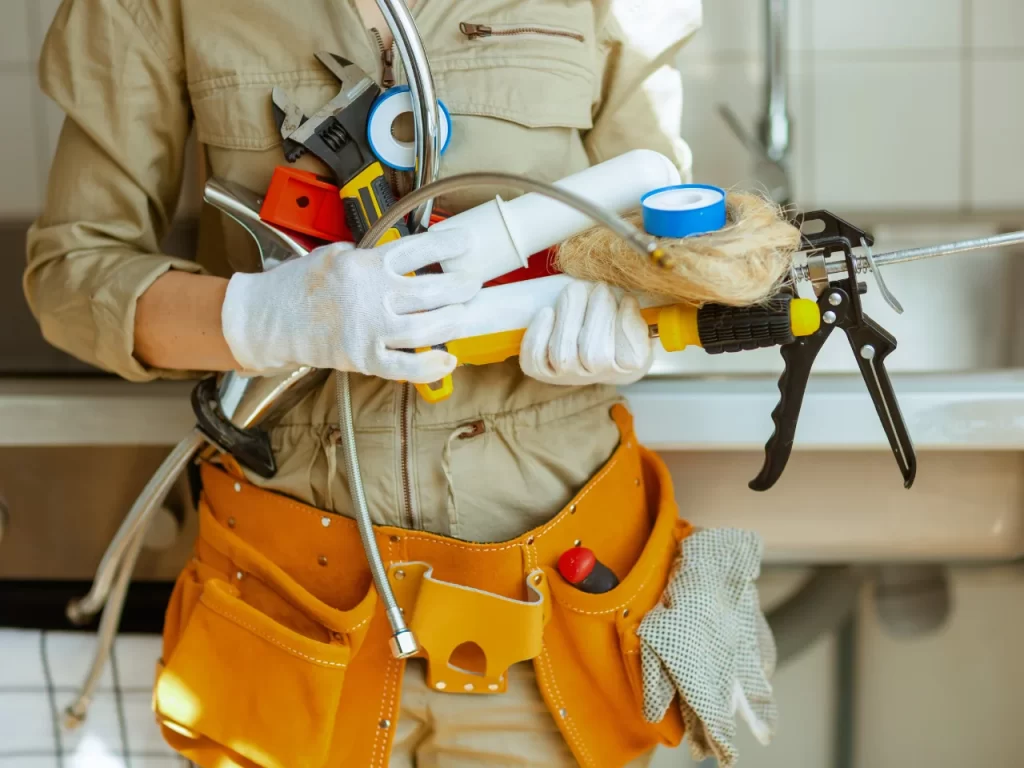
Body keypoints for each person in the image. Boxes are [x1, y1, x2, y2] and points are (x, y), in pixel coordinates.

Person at [25, 1, 705, 765]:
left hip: (553, 610)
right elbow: (72, 277)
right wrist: (262, 315)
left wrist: (624, 311)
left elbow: (669, 234)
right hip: (291, 613)